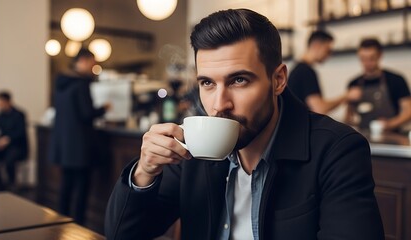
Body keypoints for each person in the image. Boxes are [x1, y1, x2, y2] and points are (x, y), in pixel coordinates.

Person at [105, 9, 384, 240]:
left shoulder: (336, 150)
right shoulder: (194, 150)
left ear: (278, 80)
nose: (219, 104)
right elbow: (123, 234)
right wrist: (144, 172)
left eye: (239, 80)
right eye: (207, 83)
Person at [48, 48, 110, 225]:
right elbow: (86, 113)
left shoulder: (61, 82)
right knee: (82, 188)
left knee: (66, 186)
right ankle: (78, 225)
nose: (94, 66)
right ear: (83, 60)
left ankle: (60, 222)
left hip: (64, 144)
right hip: (80, 145)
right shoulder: (81, 83)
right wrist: (103, 109)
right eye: (92, 62)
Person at [346, 38, 411, 131]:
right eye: (363, 59)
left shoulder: (396, 80)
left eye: (371, 58)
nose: (367, 63)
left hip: (392, 135)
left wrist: (390, 124)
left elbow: (408, 112)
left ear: (380, 56)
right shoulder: (354, 83)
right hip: (363, 136)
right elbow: (349, 118)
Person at [288, 30, 358, 114]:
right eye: (328, 50)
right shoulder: (306, 71)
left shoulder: (298, 69)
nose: (329, 55)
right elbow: (319, 108)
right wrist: (346, 96)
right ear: (316, 46)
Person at [0, 91, 28, 189]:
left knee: (9, 160)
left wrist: (7, 140)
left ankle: (11, 185)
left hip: (17, 146)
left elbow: (20, 133)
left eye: (0, 104)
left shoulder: (19, 114)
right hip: (4, 146)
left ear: (7, 102)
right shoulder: (1, 114)